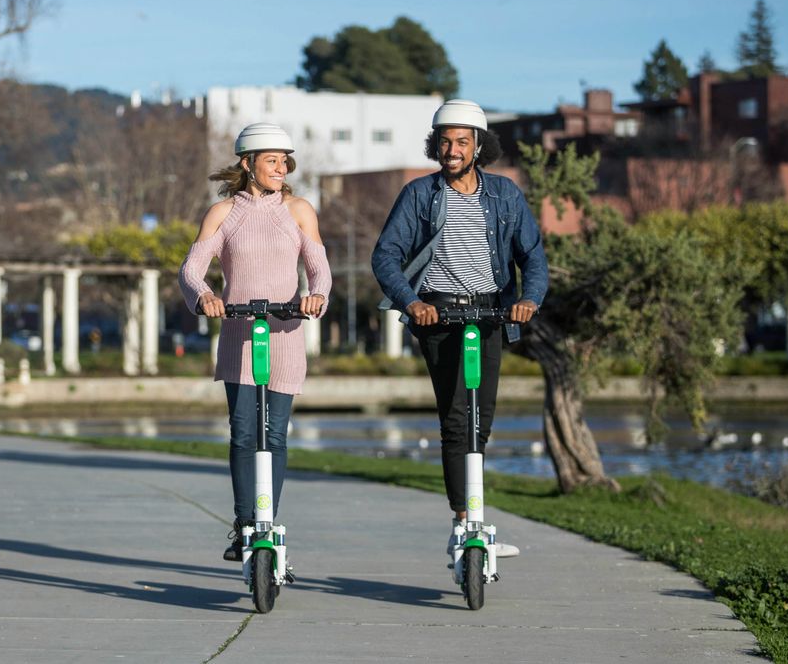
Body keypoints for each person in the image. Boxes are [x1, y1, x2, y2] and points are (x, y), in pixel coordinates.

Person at [370, 99, 548, 558]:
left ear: (478, 146)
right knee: (454, 418)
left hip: (491, 313)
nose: (452, 150)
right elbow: (386, 255)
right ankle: (465, 520)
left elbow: (533, 255)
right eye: (445, 142)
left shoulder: (505, 194)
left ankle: (475, 513)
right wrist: (412, 302)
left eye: (462, 142)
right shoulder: (418, 194)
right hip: (439, 315)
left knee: (480, 420)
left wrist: (529, 299)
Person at [179, 123, 332, 561]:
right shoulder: (223, 213)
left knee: (276, 436)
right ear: (247, 163)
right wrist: (205, 295)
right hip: (239, 333)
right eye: (272, 160)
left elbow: (319, 267)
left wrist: (317, 294)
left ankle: (269, 524)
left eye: (285, 161)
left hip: (284, 332)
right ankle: (245, 523)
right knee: (244, 433)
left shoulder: (299, 210)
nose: (281, 168)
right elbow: (190, 270)